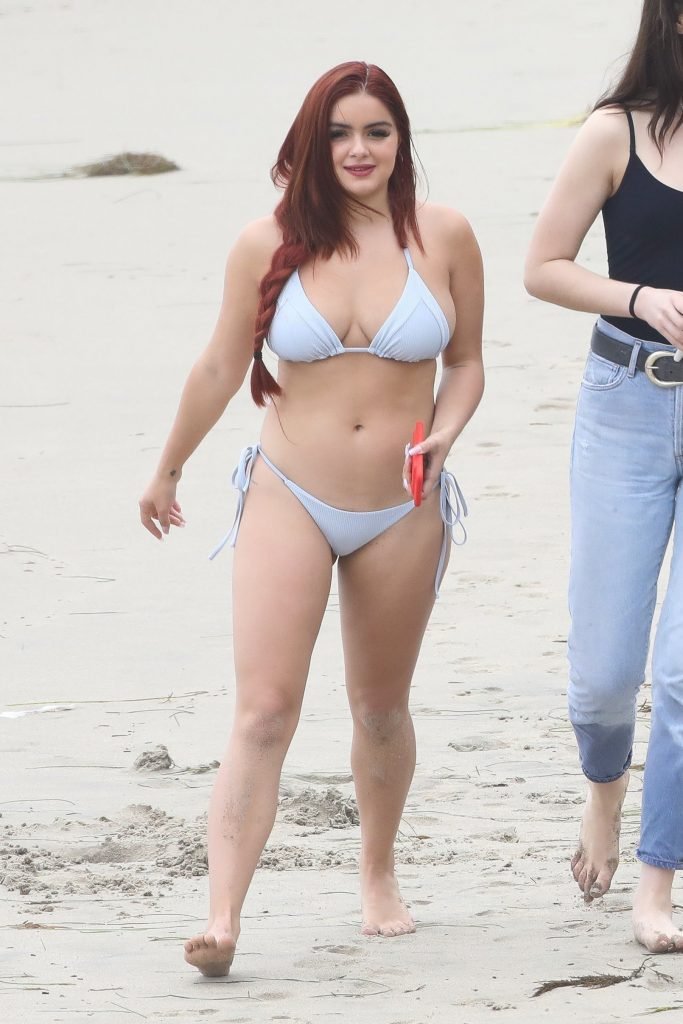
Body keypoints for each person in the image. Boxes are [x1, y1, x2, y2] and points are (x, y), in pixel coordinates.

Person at [138, 61, 484, 976]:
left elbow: (466, 362)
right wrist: (167, 468)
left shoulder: (444, 235)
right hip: (289, 492)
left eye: (376, 131)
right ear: (310, 144)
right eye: (338, 133)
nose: (358, 149)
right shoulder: (266, 243)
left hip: (403, 503)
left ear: (400, 140)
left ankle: (377, 875)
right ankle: (221, 919)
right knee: (263, 711)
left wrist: (446, 432)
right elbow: (221, 365)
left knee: (379, 709)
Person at [525, 1, 683, 953]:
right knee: (601, 679)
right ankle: (603, 790)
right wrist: (639, 297)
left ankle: (657, 882)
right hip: (625, 402)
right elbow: (543, 265)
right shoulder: (613, 132)